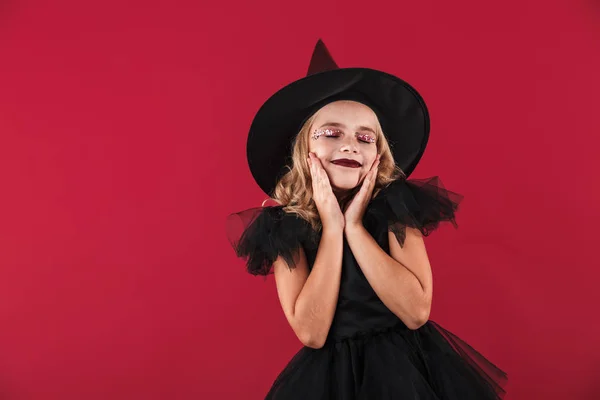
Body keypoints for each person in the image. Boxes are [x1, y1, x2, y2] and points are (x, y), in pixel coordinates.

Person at [226, 39, 508, 399]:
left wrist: (355, 227)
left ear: (379, 154)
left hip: (410, 372)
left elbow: (416, 312)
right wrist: (332, 227)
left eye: (365, 137)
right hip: (329, 381)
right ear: (303, 149)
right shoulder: (284, 228)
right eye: (331, 133)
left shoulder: (394, 209)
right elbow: (311, 332)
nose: (350, 145)